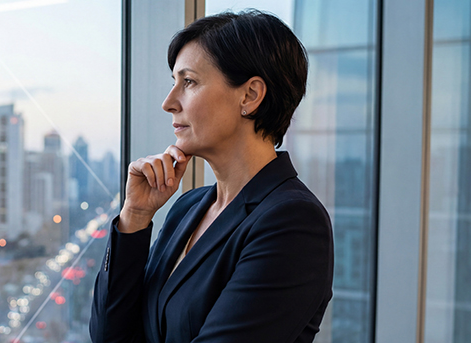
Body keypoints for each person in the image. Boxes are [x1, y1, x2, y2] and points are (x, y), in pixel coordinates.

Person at [89, 10, 333, 343]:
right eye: (173, 83)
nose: (168, 103)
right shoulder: (187, 207)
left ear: (249, 95)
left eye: (188, 82)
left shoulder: (292, 222)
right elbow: (109, 336)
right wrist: (135, 217)